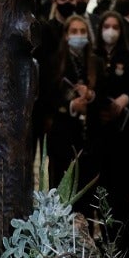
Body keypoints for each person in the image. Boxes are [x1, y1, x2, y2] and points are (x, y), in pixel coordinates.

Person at [86, 8, 129, 228]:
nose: (110, 32)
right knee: (100, 187)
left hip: (123, 132)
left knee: (121, 188)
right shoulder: (93, 56)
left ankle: (120, 236)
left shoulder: (128, 56)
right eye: (107, 27)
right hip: (99, 131)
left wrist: (124, 99)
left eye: (115, 27)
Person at [43, 14, 96, 191]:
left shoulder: (95, 62)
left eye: (82, 31)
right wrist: (72, 106)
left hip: (88, 135)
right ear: (66, 35)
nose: (78, 35)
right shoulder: (54, 62)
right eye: (74, 31)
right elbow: (48, 97)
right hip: (62, 134)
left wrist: (91, 96)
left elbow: (103, 95)